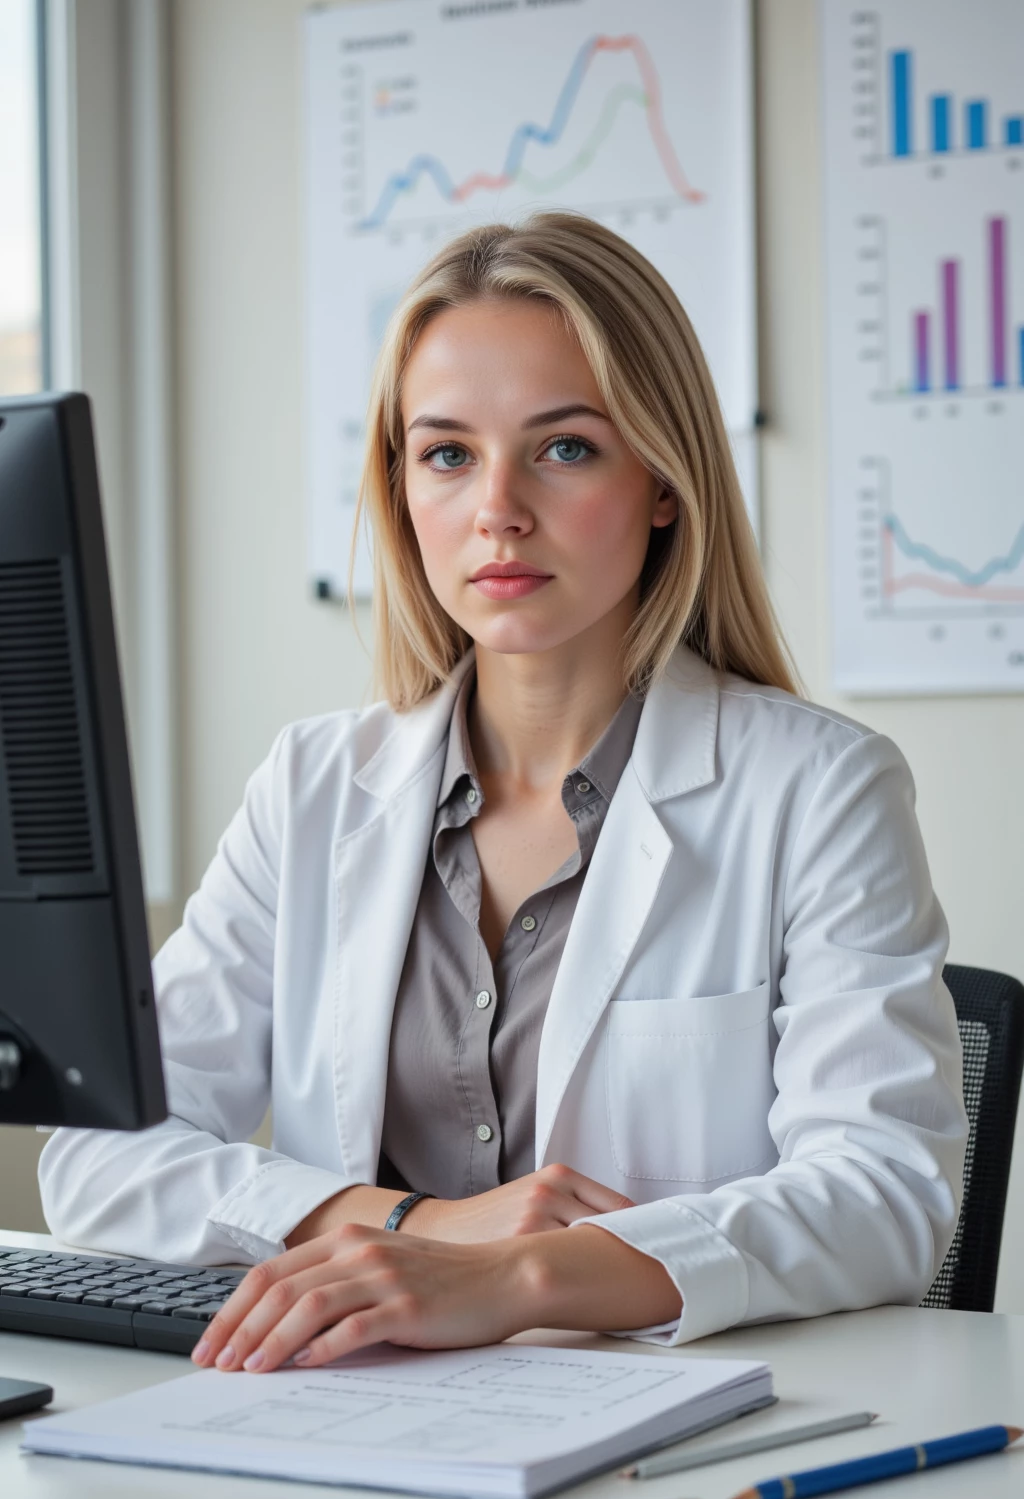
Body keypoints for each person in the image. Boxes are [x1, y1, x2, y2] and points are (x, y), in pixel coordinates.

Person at [40, 213, 967, 1376]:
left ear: (664, 480)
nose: (498, 510)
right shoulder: (315, 786)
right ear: (402, 491)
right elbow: (100, 1158)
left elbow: (882, 1195)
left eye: (564, 448)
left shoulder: (818, 787)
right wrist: (413, 1230)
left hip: (656, 1428)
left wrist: (518, 1275)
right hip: (347, 1411)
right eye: (447, 454)